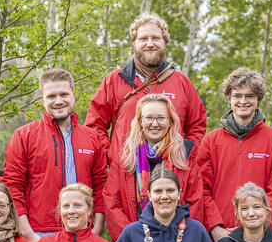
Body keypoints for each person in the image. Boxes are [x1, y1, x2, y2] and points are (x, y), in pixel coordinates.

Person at [3, 68, 108, 242]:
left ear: (73, 95)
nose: (58, 101)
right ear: (43, 99)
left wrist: (96, 230)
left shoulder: (92, 138)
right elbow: (12, 187)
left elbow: (100, 186)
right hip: (40, 234)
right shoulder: (24, 136)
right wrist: (29, 235)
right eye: (51, 96)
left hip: (84, 233)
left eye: (64, 94)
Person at [86, 13, 207, 163]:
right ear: (134, 43)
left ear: (165, 42)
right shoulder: (113, 80)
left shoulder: (182, 82)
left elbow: (198, 126)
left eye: (156, 38)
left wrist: (184, 154)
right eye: (143, 39)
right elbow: (94, 125)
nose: (150, 44)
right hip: (124, 172)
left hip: (170, 177)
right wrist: (110, 157)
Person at [196, 67, 272, 242]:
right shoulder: (211, 140)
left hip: (259, 235)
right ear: (229, 98)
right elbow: (202, 189)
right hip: (220, 235)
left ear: (258, 99)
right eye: (237, 95)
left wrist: (256, 226)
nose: (243, 101)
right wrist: (214, 226)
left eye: (250, 96)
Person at [104, 94, 209, 237]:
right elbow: (112, 203)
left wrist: (182, 239)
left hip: (177, 241)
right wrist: (132, 239)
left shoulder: (185, 157)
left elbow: (195, 203)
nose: (154, 123)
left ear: (170, 121)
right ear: (140, 121)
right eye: (149, 118)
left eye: (160, 118)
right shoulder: (125, 158)